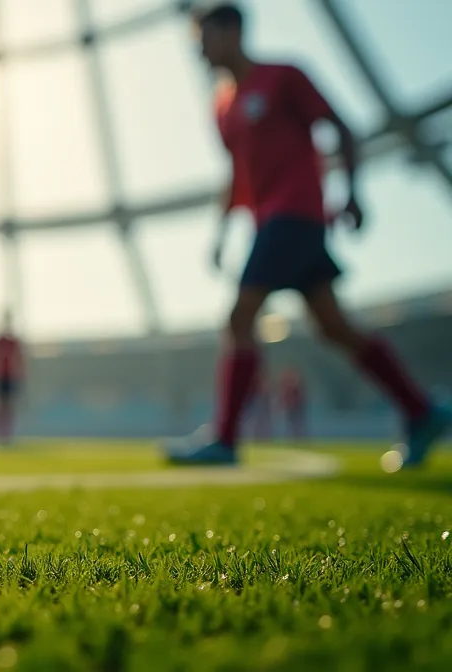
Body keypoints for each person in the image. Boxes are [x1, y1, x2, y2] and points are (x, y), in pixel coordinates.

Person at [164, 3, 449, 467]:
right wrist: (220, 233)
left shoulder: (283, 77)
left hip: (295, 215)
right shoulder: (222, 107)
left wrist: (353, 193)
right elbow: (236, 175)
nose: (199, 52)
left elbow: (342, 129)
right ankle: (422, 411)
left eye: (204, 39)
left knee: (240, 318)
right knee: (334, 328)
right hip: (273, 223)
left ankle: (225, 438)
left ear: (233, 30)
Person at [0, 312, 24, 446]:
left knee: (8, 407)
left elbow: (19, 360)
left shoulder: (13, 342)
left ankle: (7, 435)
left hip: (10, 377)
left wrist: (19, 375)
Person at [279, 368, 306, 441]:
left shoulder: (297, 388)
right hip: (291, 409)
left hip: (296, 410)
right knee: (291, 425)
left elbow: (301, 398)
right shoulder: (287, 388)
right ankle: (292, 439)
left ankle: (298, 438)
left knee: (297, 425)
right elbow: (284, 398)